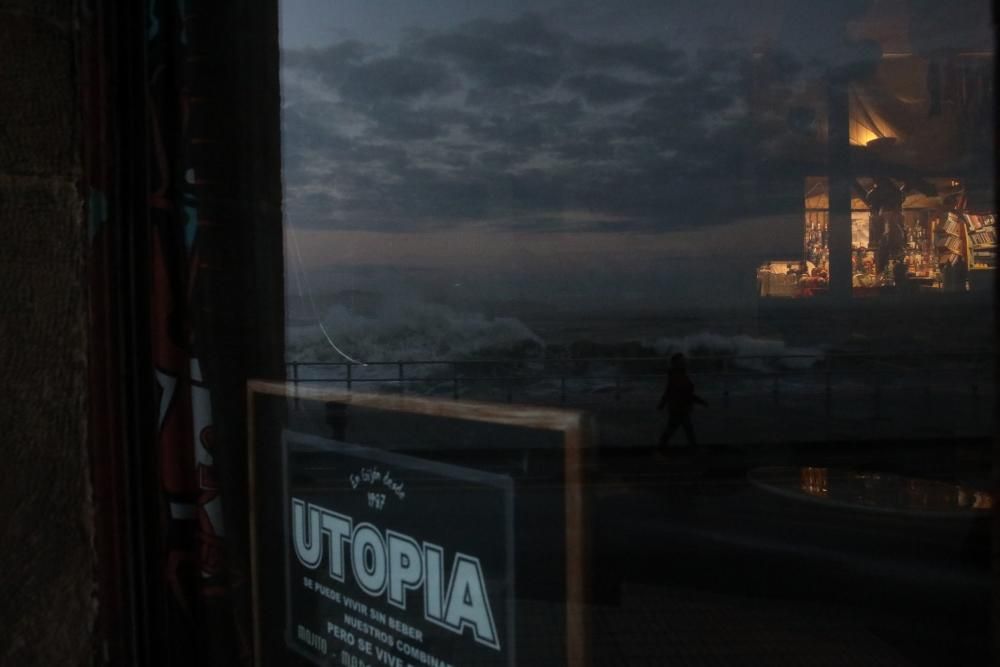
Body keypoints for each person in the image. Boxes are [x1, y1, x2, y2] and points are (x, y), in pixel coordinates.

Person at [655, 353, 707, 454]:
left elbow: (669, 391)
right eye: (682, 361)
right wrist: (700, 401)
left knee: (680, 429)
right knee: (678, 429)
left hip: (678, 407)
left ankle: (660, 449)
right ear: (677, 363)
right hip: (679, 407)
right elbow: (682, 392)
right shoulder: (677, 375)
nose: (685, 362)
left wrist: (662, 403)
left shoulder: (676, 374)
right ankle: (660, 449)